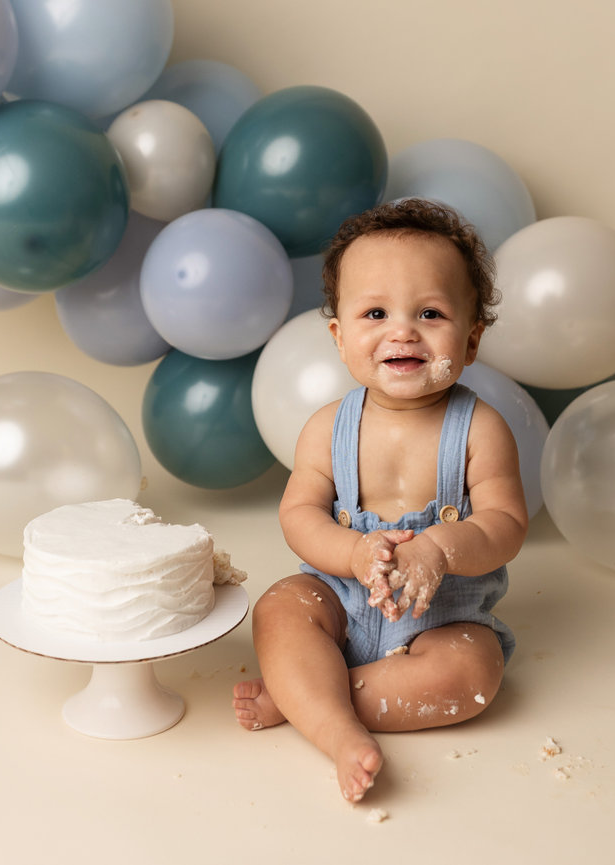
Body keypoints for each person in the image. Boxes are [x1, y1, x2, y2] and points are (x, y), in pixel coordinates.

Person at [232, 198, 529, 803]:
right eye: (375, 312)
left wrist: (441, 549)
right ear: (340, 338)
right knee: (281, 607)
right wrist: (352, 552)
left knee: (476, 674)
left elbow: (505, 524)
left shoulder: (480, 429)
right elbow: (299, 515)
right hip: (342, 596)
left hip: (441, 620)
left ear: (470, 340)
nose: (402, 330)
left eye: (430, 312)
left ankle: (305, 700)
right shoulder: (326, 428)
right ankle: (337, 729)